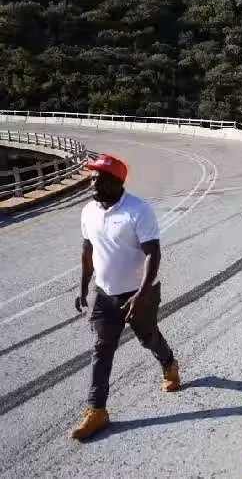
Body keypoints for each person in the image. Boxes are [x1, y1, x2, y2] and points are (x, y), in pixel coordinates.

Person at [70, 154, 180, 440]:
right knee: (101, 348)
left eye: (98, 179)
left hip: (138, 293)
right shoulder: (88, 212)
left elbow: (153, 253)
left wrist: (142, 294)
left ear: (116, 182)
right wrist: (83, 286)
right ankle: (97, 410)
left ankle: (169, 363)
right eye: (91, 179)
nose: (92, 184)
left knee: (148, 337)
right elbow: (87, 250)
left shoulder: (138, 210)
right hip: (104, 294)